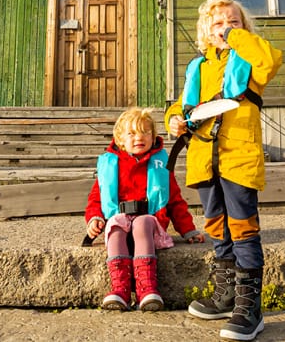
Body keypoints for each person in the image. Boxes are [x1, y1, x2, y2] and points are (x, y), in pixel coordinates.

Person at [165, 0, 283, 341]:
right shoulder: (198, 67)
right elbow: (181, 106)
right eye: (218, 23)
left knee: (243, 229)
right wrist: (174, 120)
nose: (226, 27)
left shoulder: (252, 59)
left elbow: (270, 60)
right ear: (205, 31)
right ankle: (226, 296)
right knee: (217, 227)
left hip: (238, 157)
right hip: (203, 158)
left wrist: (235, 36)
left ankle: (251, 310)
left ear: (244, 28)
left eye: (234, 21)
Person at [85, 107, 204, 311]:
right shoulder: (111, 164)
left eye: (145, 132)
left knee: (141, 222)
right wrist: (94, 218)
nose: (139, 137)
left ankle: (147, 288)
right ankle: (119, 289)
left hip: (150, 225)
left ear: (153, 136)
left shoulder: (160, 165)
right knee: (114, 225)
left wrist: (188, 230)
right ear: (120, 139)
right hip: (120, 222)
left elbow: (175, 200)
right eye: (131, 133)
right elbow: (97, 198)